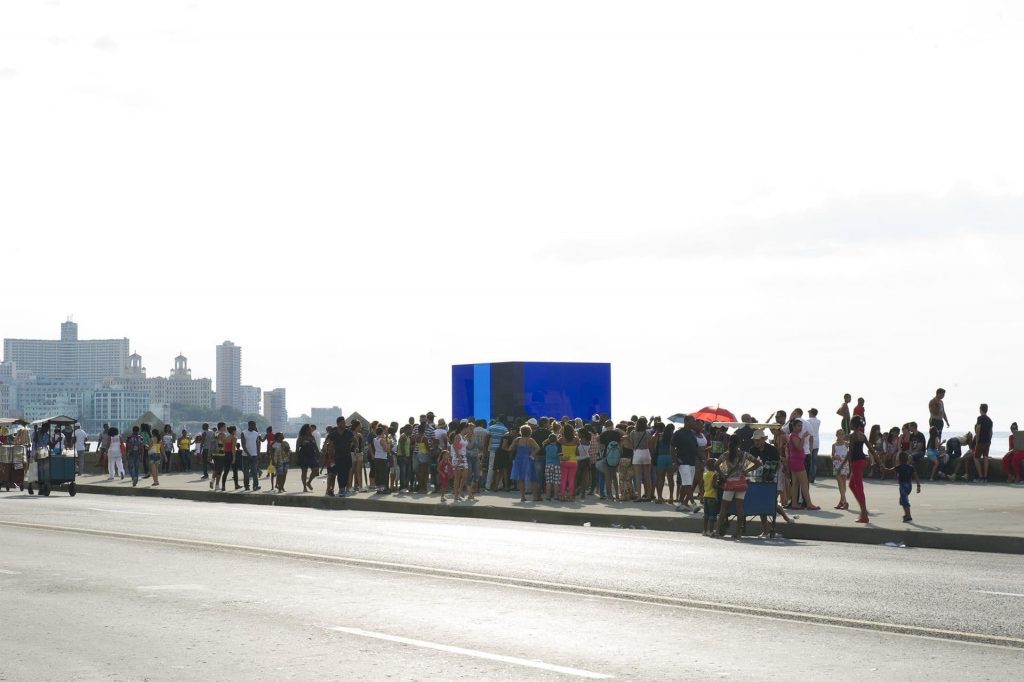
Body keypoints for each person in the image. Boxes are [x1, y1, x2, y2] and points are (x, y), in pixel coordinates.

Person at [716, 435, 762, 540]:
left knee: (723, 509)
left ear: (729, 443)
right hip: (741, 483)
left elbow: (715, 464)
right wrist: (746, 471)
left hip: (730, 483)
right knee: (740, 509)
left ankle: (717, 531)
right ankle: (738, 533)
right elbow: (758, 463)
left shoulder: (726, 454)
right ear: (739, 444)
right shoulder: (745, 454)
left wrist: (723, 474)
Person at [838, 416, 872, 523]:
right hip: (863, 461)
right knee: (852, 485)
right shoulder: (862, 435)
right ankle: (863, 509)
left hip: (856, 463)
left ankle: (864, 515)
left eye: (850, 423)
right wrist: (880, 463)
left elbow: (850, 453)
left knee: (859, 488)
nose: (849, 425)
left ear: (853, 425)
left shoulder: (852, 436)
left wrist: (842, 465)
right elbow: (871, 449)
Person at [786, 420, 819, 510]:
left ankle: (794, 503)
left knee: (795, 483)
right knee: (804, 483)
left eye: (801, 426)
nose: (800, 428)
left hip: (794, 461)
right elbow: (799, 447)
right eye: (798, 426)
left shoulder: (792, 435)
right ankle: (809, 504)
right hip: (797, 462)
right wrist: (804, 438)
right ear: (793, 426)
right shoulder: (793, 436)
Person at [884, 451, 921, 522]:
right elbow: (916, 476)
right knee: (902, 501)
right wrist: (918, 486)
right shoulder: (911, 467)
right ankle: (906, 514)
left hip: (903, 486)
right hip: (909, 486)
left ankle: (909, 516)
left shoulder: (898, 467)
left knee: (905, 501)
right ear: (907, 459)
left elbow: (888, 471)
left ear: (899, 460)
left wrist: (883, 468)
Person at [671, 416, 699, 509]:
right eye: (693, 421)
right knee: (687, 484)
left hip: (692, 462)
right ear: (686, 421)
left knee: (685, 483)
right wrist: (675, 462)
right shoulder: (678, 433)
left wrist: (702, 459)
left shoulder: (692, 434)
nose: (694, 423)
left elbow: (695, 448)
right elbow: (672, 448)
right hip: (682, 462)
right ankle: (693, 504)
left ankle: (680, 503)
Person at [326, 418, 355, 497]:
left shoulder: (348, 432)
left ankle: (343, 488)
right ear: (338, 424)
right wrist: (331, 458)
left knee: (346, 473)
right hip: (338, 456)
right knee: (339, 473)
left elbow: (354, 440)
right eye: (342, 423)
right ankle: (341, 489)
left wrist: (353, 446)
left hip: (347, 455)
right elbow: (330, 446)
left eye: (344, 423)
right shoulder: (333, 434)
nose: (344, 424)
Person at [449, 423, 471, 501]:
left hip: (464, 457)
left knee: (465, 476)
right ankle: (456, 495)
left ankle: (459, 490)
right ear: (464, 428)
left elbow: (469, 447)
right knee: (457, 477)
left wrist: (470, 437)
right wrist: (458, 456)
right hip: (457, 458)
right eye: (468, 428)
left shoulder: (464, 438)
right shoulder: (458, 436)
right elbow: (455, 446)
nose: (469, 429)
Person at [296, 424, 320, 493]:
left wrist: (318, 454)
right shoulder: (301, 437)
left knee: (315, 470)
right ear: (306, 430)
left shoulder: (312, 437)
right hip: (303, 455)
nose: (311, 430)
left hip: (312, 455)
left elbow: (315, 446)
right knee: (304, 471)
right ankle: (304, 487)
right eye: (309, 429)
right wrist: (297, 457)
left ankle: (308, 482)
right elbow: (297, 448)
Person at [558, 424, 579, 501]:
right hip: (573, 461)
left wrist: (561, 433)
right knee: (571, 480)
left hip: (564, 461)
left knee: (563, 479)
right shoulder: (576, 439)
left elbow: (557, 445)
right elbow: (578, 448)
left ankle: (562, 496)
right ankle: (571, 496)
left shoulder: (561, 439)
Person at [240, 421, 262, 491]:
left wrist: (258, 453)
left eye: (255, 425)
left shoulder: (256, 433)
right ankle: (246, 486)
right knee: (246, 472)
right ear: (249, 425)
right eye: (253, 425)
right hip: (245, 456)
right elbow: (243, 445)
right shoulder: (244, 433)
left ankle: (255, 486)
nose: (255, 427)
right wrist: (248, 454)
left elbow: (257, 444)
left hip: (254, 455)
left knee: (254, 471)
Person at [974, 404, 993, 482]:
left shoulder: (980, 418)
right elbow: (991, 432)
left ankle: (981, 476)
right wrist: (989, 441)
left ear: (981, 409)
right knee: (985, 458)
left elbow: (978, 430)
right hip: (987, 441)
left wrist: (976, 442)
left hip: (981, 441)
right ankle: (985, 477)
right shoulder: (990, 420)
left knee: (976, 458)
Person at [832, 429, 850, 510]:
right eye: (839, 434)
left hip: (845, 464)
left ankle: (841, 502)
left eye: (842, 434)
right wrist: (835, 457)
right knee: (840, 483)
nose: (841, 436)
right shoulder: (834, 445)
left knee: (843, 484)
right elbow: (832, 456)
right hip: (836, 465)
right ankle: (845, 502)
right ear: (836, 435)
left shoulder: (847, 444)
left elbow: (850, 453)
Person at [702, 458, 719, 537]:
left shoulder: (705, 474)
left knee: (706, 515)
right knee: (712, 515)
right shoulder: (714, 474)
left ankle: (704, 530)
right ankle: (711, 531)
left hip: (705, 495)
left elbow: (703, 485)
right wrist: (721, 487)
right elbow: (714, 485)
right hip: (712, 496)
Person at [803, 408, 821, 483]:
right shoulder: (818, 421)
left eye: (809, 412)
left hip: (810, 441)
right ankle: (813, 477)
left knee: (809, 460)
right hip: (817, 442)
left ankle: (809, 476)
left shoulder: (807, 421)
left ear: (811, 413)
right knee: (814, 461)